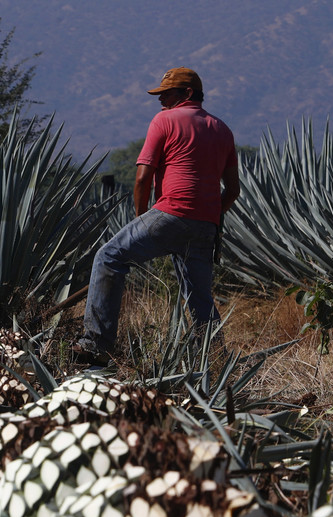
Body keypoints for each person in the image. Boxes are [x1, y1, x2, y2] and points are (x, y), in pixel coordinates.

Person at [72, 67, 240, 366]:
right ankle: (214, 360)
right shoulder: (223, 129)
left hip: (171, 211)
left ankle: (96, 345)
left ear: (187, 93)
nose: (161, 101)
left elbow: (142, 178)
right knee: (199, 295)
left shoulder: (164, 121)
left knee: (109, 257)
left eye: (167, 94)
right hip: (206, 225)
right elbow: (233, 190)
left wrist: (140, 219)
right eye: (159, 96)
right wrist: (209, 215)